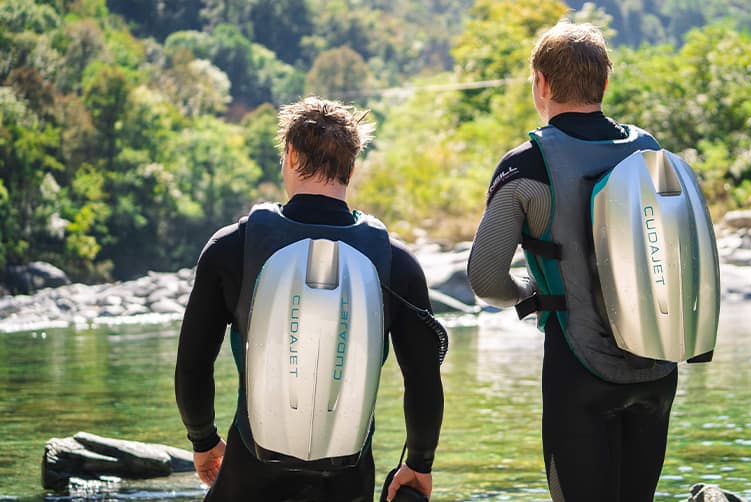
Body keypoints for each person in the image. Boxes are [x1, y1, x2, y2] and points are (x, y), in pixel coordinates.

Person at [175, 96, 443, 502]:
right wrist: (419, 463)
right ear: (352, 169)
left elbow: (193, 364)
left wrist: (203, 439)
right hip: (348, 476)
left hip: (251, 467)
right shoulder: (395, 260)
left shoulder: (232, 247)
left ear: (290, 154)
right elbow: (423, 379)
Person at [466, 23, 678, 501]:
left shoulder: (526, 165)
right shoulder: (649, 153)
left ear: (541, 83)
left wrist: (529, 294)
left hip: (577, 369)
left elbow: (484, 279)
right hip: (656, 369)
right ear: (604, 83)